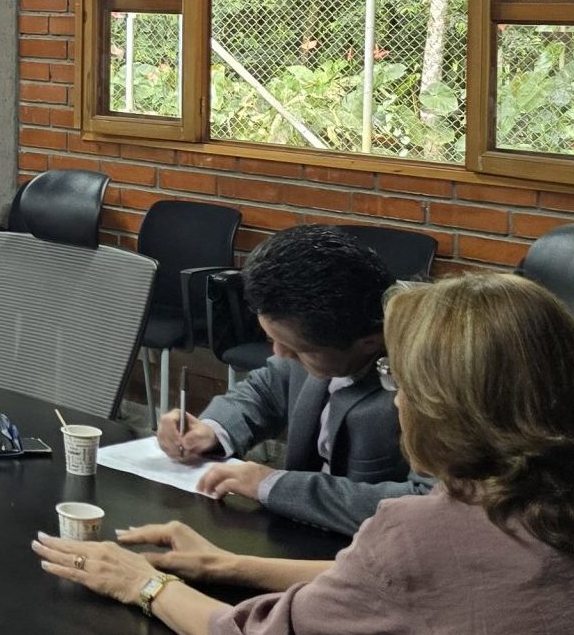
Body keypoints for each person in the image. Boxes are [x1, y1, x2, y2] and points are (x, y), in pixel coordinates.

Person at [32, 273, 574, 635]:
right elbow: (428, 591)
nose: (398, 400)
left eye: (400, 383)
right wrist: (231, 564)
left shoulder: (429, 533)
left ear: (445, 408)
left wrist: (143, 585)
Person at [152, 224, 419, 535]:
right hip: (297, 533)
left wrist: (273, 484)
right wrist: (211, 430)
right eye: (272, 339)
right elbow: (264, 391)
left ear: (370, 342)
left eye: (299, 349)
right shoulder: (314, 337)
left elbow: (424, 503)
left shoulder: (429, 383)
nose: (279, 353)